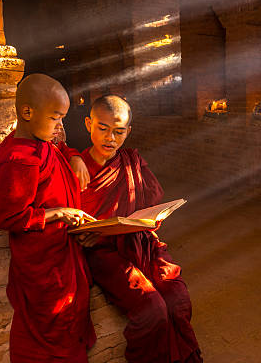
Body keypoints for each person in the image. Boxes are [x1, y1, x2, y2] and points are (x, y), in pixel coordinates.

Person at [73, 94, 202, 363]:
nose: (111, 138)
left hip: (142, 241)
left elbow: (150, 202)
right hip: (103, 251)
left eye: (119, 132)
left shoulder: (131, 161)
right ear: (88, 124)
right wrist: (82, 232)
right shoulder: (78, 166)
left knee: (177, 298)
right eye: (103, 128)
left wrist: (153, 218)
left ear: (128, 131)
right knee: (151, 308)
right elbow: (70, 214)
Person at [0, 74, 97, 362]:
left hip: (63, 249)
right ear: (27, 112)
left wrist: (73, 155)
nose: (61, 127)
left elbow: (58, 145)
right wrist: (60, 212)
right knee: (54, 330)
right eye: (56, 117)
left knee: (70, 319)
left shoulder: (40, 140)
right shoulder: (20, 159)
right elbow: (9, 217)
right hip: (44, 261)